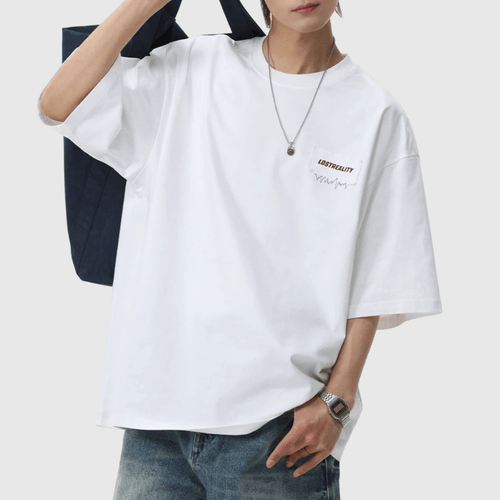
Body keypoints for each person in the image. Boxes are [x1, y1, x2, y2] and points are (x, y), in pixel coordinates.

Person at [38, 0, 443, 498]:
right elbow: (58, 105)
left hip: (280, 433)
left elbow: (379, 275)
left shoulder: (376, 114)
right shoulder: (193, 69)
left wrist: (335, 403)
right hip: (156, 427)